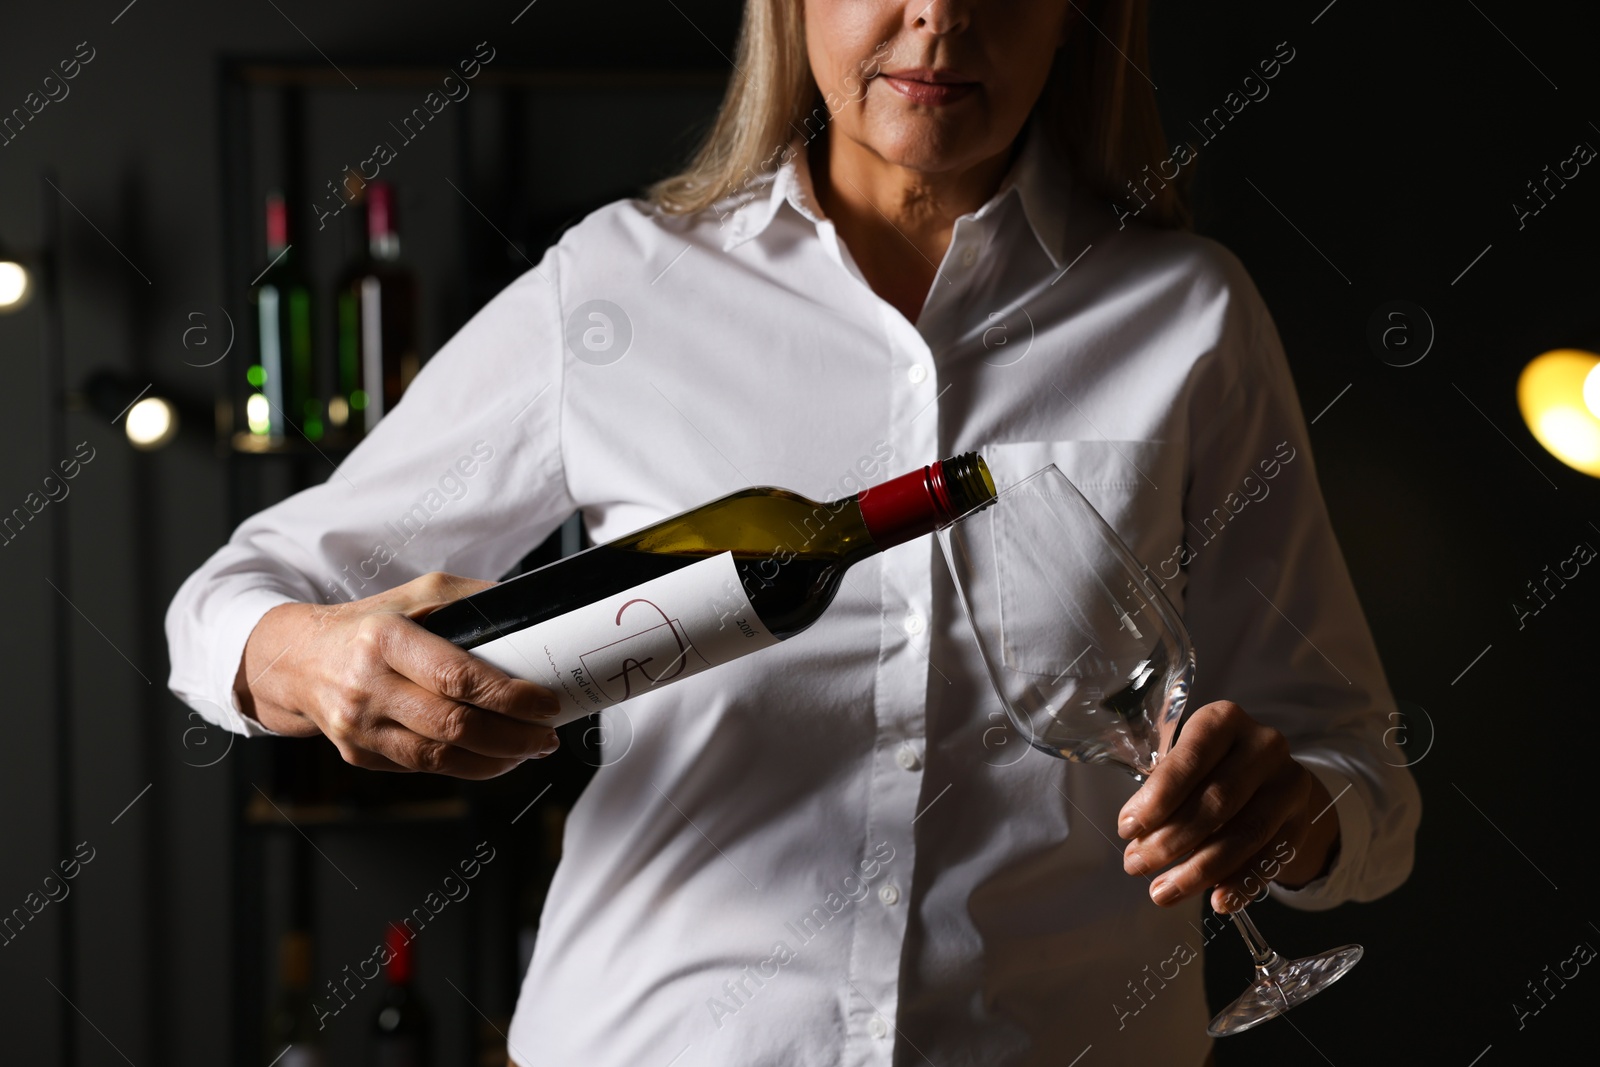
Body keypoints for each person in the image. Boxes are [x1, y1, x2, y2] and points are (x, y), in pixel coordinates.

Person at [166, 2, 1421, 1064]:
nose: (941, 14)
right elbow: (232, 598)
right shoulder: (620, 285)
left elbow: (1359, 772)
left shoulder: (1188, 311)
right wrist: (309, 660)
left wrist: (1292, 814)